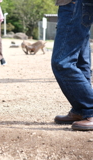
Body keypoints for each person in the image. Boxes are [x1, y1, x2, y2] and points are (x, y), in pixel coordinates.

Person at [51, 0, 93, 131]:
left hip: (74, 4)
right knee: (80, 61)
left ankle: (90, 108)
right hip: (77, 4)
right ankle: (81, 109)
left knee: (62, 62)